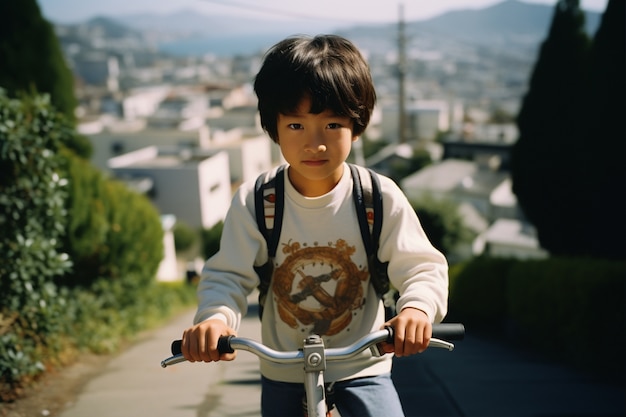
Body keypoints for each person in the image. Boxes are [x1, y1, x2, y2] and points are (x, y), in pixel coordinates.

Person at [181, 34, 448, 417]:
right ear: (273, 126)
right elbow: (228, 276)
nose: (315, 144)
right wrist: (214, 320)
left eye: (333, 124)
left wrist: (417, 311)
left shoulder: (377, 197)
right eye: (295, 126)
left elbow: (420, 265)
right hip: (284, 368)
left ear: (356, 126)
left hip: (363, 364)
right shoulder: (257, 202)